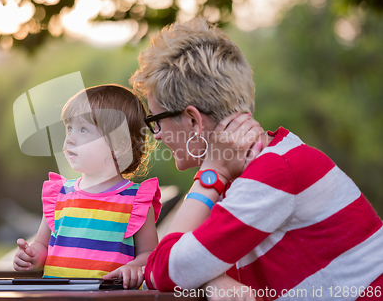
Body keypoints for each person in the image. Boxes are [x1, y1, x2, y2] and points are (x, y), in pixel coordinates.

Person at [130, 17, 383, 300]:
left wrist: (210, 174)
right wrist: (211, 280)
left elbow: (161, 271)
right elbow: (176, 264)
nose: (158, 135)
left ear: (192, 120)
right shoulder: (260, 166)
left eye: (156, 120)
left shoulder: (273, 172)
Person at [13, 84, 161, 290]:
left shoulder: (136, 200)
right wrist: (32, 256)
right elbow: (42, 245)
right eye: (69, 128)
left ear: (118, 145)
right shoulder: (59, 195)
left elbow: (150, 255)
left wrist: (135, 267)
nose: (70, 139)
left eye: (83, 130)